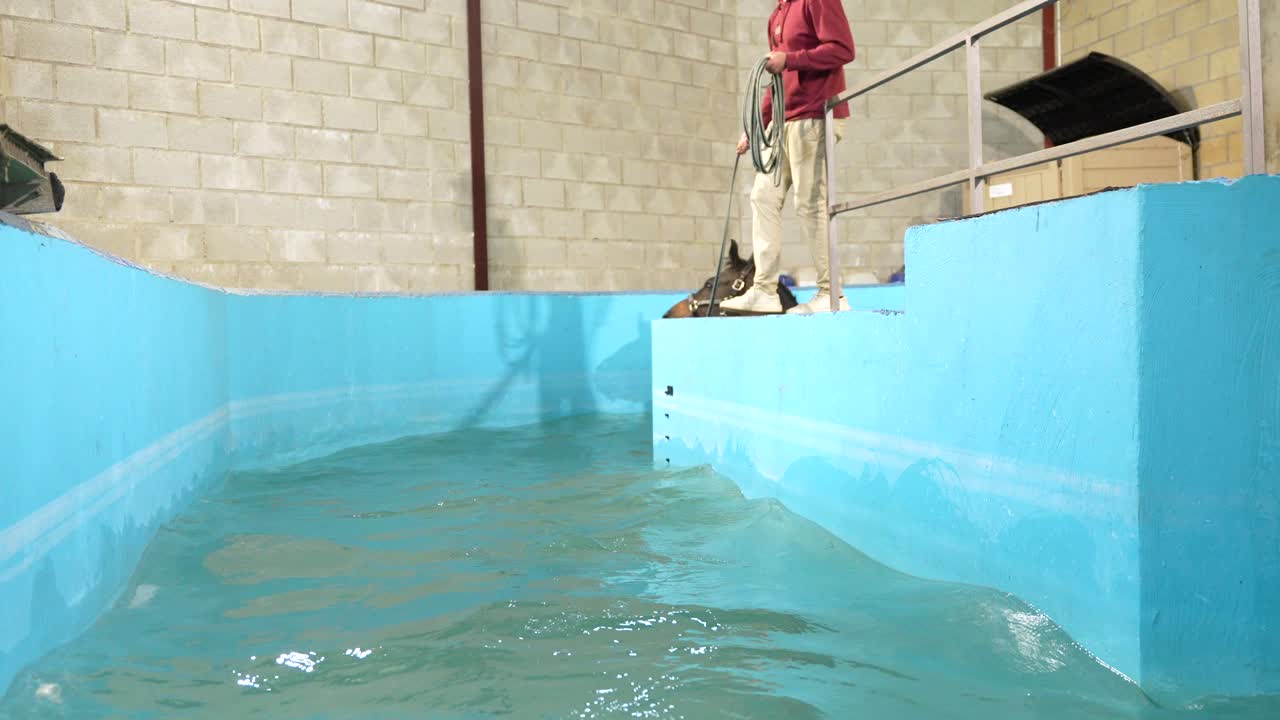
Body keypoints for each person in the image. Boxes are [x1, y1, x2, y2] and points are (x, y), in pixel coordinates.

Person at [721, 0, 856, 316]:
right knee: (762, 196)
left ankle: (832, 294)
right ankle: (764, 290)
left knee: (809, 203)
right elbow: (777, 81)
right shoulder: (778, 14)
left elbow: (843, 49)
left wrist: (791, 59)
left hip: (816, 114)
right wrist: (757, 125)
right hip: (784, 121)